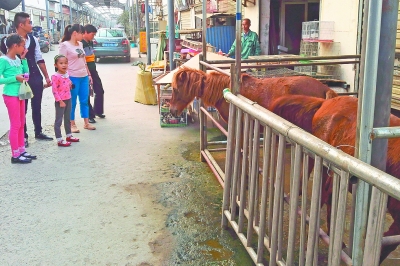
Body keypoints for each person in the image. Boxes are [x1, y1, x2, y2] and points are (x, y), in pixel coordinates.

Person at [12, 12, 54, 146]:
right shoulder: (9, 41)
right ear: (21, 24)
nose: (31, 25)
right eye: (29, 22)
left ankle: (38, 131)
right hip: (20, 79)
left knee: (37, 106)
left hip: (35, 76)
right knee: (21, 108)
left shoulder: (33, 39)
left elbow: (39, 58)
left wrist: (47, 76)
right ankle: (23, 136)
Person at [0, 34, 37, 164]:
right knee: (15, 124)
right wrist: (14, 78)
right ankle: (15, 154)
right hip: (11, 95)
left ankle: (21, 150)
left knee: (21, 123)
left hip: (21, 93)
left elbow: (26, 73)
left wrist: (24, 59)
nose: (24, 48)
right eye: (22, 45)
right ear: (15, 46)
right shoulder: (3, 60)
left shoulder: (17, 58)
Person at [59, 24, 95, 133]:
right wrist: (66, 78)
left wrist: (89, 75)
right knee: (72, 102)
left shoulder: (80, 44)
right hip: (72, 77)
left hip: (83, 76)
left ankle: (86, 122)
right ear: (75, 33)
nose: (83, 35)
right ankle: (72, 124)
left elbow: (84, 61)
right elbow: (61, 63)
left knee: (84, 100)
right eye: (81, 33)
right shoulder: (64, 46)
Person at [52, 54, 80, 147]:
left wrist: (70, 84)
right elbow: (55, 90)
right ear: (55, 65)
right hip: (61, 101)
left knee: (68, 118)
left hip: (68, 99)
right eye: (61, 63)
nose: (64, 65)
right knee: (59, 120)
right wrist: (60, 101)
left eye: (66, 63)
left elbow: (68, 85)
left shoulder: (66, 75)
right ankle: (59, 139)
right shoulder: (55, 76)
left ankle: (69, 135)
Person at [82, 24, 106, 124]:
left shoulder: (90, 42)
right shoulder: (80, 44)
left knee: (99, 90)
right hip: (84, 71)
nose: (93, 36)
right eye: (92, 34)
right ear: (85, 33)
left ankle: (98, 111)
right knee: (86, 93)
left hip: (93, 69)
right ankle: (89, 115)